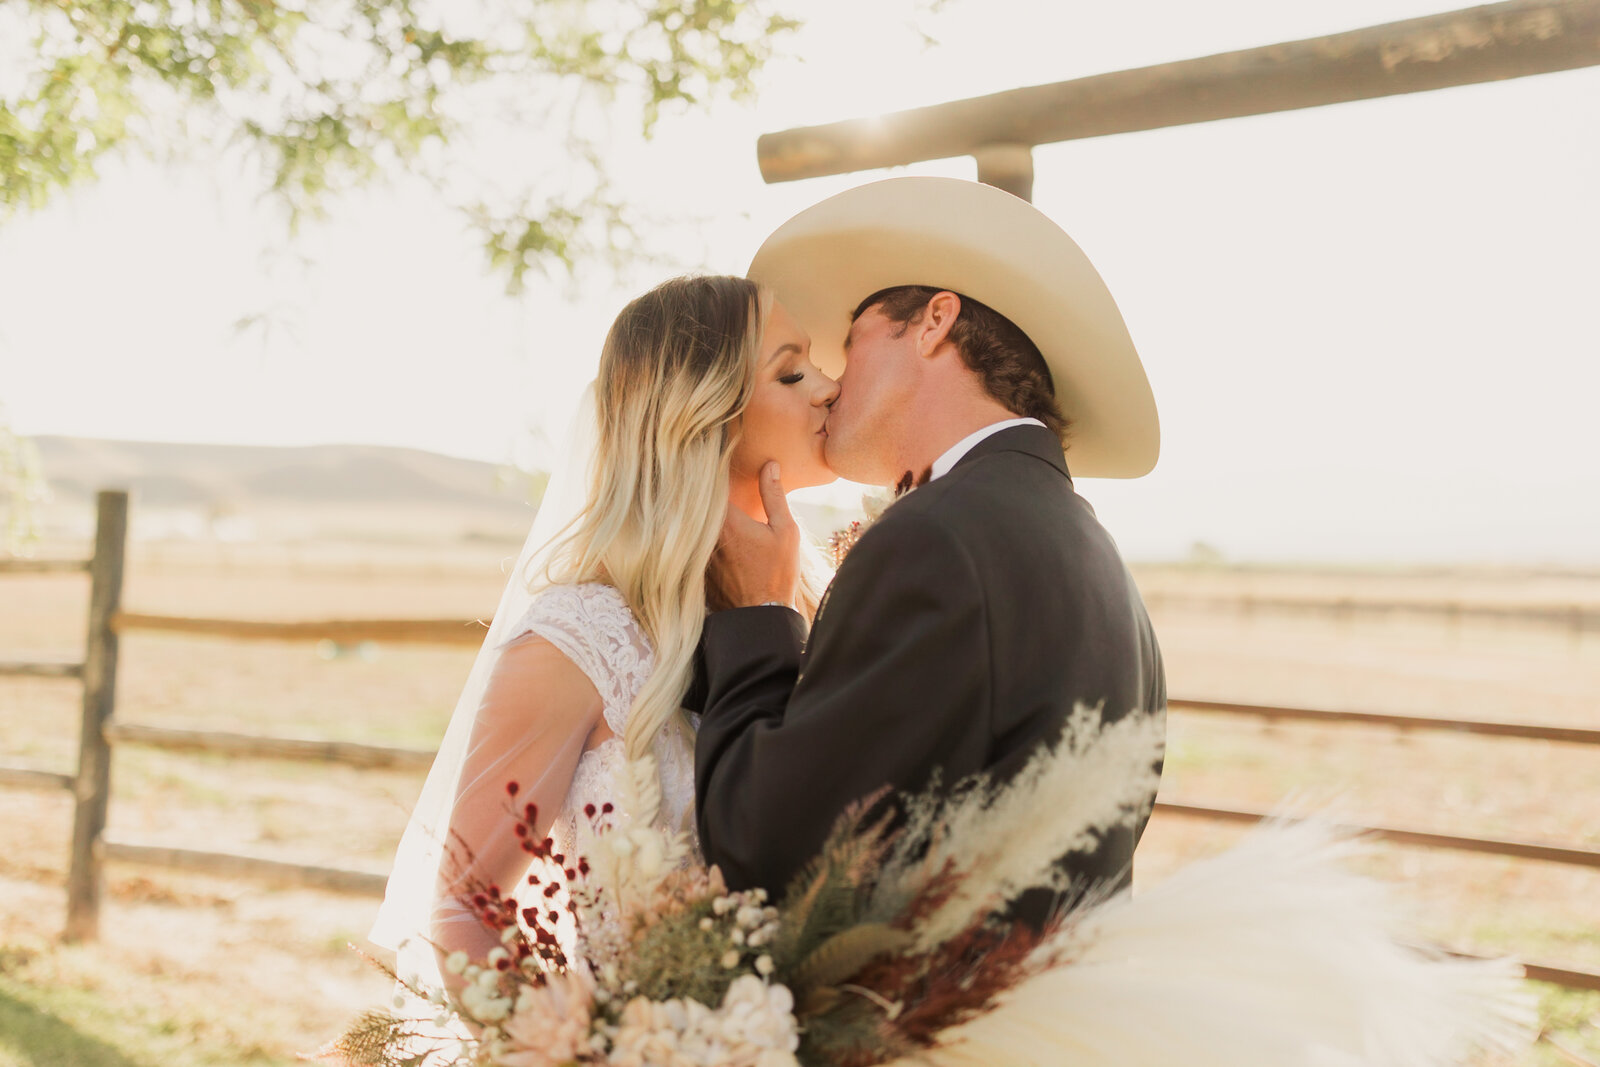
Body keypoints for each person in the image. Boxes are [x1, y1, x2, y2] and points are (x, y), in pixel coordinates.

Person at [694, 176, 1167, 922]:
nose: (834, 382)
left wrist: (757, 612)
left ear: (933, 323)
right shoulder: (1095, 552)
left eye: (851, 343)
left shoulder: (934, 538)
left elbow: (766, 850)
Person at [369, 274, 839, 986]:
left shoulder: (820, 607)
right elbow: (465, 912)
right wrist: (582, 1045)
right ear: (704, 415)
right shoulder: (578, 640)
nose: (829, 387)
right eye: (793, 370)